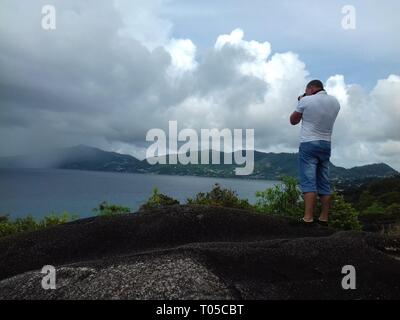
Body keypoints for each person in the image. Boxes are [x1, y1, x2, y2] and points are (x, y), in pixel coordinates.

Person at [290, 80, 340, 226]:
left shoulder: (306, 100)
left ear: (311, 89)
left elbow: (293, 120)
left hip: (309, 144)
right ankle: (324, 219)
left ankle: (308, 218)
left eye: (306, 90)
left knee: (308, 182)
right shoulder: (335, 102)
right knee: (324, 182)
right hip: (326, 144)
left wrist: (301, 101)